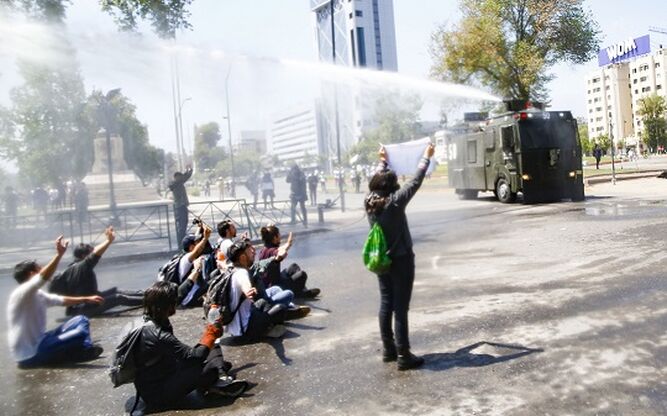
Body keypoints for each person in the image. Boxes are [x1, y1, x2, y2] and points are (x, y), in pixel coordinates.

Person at [364, 142, 435, 371]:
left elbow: (379, 179)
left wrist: (383, 160)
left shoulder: (369, 201)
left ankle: (389, 350)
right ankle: (404, 354)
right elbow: (416, 180)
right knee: (401, 307)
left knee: (386, 303)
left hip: (381, 261)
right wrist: (426, 156)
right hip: (402, 260)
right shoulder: (395, 202)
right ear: (392, 186)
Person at [133, 281, 248, 411]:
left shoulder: (152, 320)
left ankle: (218, 374)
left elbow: (182, 354)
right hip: (157, 394)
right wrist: (211, 333)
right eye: (174, 301)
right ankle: (219, 379)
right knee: (210, 369)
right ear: (168, 305)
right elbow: (194, 357)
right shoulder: (157, 334)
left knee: (212, 348)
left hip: (162, 373)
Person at [8, 236, 104, 368]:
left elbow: (60, 300)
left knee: (81, 320)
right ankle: (81, 352)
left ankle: (83, 349)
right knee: (80, 333)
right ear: (31, 274)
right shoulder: (22, 292)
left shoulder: (37, 294)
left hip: (42, 340)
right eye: (39, 268)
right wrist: (59, 255)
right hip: (31, 354)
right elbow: (43, 277)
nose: (43, 270)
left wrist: (86, 299)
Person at [48, 226, 144, 317]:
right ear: (83, 256)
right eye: (90, 253)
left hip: (87, 301)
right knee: (118, 298)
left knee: (115, 290)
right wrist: (108, 241)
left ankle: (148, 294)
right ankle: (153, 301)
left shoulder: (72, 267)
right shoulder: (82, 266)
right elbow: (94, 255)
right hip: (81, 309)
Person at [225, 240, 309, 340]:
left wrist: (278, 257)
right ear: (243, 257)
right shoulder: (241, 273)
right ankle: (269, 328)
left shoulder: (231, 269)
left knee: (274, 291)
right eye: (249, 251)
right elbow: (245, 283)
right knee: (281, 307)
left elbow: (266, 263)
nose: (253, 252)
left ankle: (287, 309)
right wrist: (248, 291)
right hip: (245, 329)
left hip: (237, 325)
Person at [258, 225, 320, 299]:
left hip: (277, 279)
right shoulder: (272, 252)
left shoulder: (263, 250)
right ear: (274, 238)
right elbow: (279, 252)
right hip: (276, 286)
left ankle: (302, 289)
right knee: (302, 275)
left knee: (294, 266)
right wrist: (288, 244)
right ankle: (299, 293)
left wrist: (288, 244)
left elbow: (278, 249)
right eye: (279, 235)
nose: (280, 237)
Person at [169, 166, 193, 245]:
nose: (182, 178)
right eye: (180, 176)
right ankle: (181, 242)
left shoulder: (178, 183)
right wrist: (188, 171)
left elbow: (185, 177)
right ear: (176, 177)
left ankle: (182, 241)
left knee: (184, 223)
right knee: (182, 226)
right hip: (180, 207)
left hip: (182, 206)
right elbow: (185, 177)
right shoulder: (175, 184)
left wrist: (188, 170)